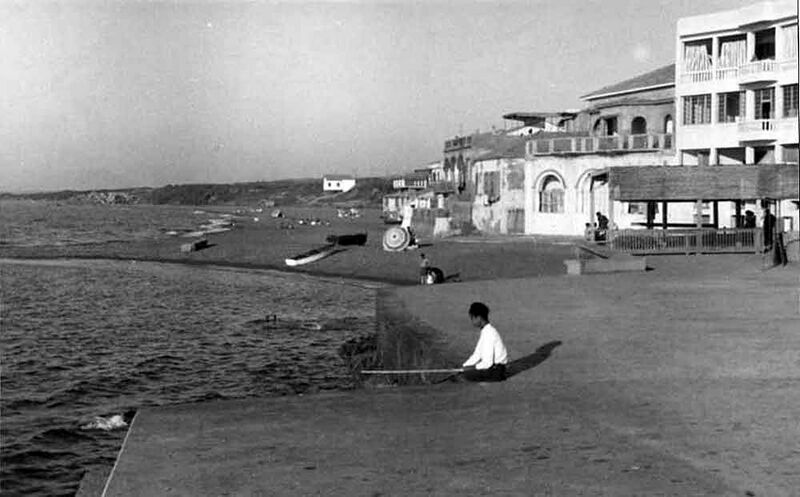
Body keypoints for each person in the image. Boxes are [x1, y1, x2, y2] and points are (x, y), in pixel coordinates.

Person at [462, 302, 508, 382]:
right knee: (464, 374)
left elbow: (487, 363)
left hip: (496, 371)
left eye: (472, 318)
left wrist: (471, 368)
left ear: (479, 318)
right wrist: (465, 365)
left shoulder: (489, 333)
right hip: (494, 369)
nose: (472, 321)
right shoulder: (485, 331)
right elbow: (477, 354)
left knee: (464, 377)